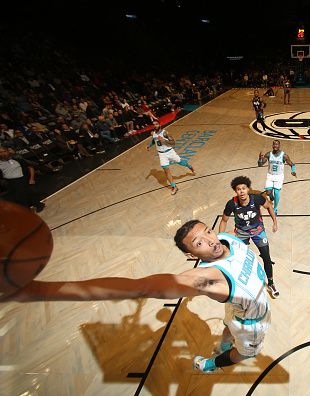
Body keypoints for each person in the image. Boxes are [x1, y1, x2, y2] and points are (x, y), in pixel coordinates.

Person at [7, 219, 271, 374]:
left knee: (227, 322)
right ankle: (213, 363)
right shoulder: (208, 278)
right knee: (244, 352)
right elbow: (141, 287)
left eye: (207, 232)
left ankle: (225, 342)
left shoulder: (226, 237)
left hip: (243, 307)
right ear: (192, 256)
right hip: (252, 321)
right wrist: (41, 290)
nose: (210, 241)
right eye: (199, 243)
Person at [218, 176, 280, 298]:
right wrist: (220, 237)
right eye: (238, 189)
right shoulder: (232, 204)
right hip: (241, 233)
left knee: (267, 258)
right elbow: (224, 221)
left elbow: (269, 206)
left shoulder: (256, 199)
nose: (241, 191)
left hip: (258, 231)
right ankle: (242, 284)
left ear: (248, 189)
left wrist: (275, 222)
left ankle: (271, 283)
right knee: (240, 259)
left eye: (244, 188)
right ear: (235, 191)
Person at [146, 120, 195, 195]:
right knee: (166, 171)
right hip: (162, 155)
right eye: (153, 124)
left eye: (156, 124)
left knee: (181, 162)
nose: (155, 125)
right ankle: (174, 186)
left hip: (170, 152)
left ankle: (190, 167)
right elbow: (154, 140)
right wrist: (149, 145)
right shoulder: (153, 133)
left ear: (159, 124)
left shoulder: (165, 133)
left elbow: (173, 143)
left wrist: (163, 141)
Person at [0, 146, 45, 212]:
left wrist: (31, 178)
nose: (3, 153)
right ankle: (27, 212)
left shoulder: (17, 159)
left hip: (22, 180)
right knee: (19, 199)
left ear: (8, 151)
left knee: (30, 194)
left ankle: (39, 205)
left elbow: (30, 167)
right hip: (10, 183)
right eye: (0, 152)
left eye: (4, 151)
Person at [257, 139, 297, 215]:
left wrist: (293, 171)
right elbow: (260, 165)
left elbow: (292, 164)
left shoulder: (284, 155)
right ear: (272, 145)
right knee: (268, 193)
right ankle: (271, 197)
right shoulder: (268, 154)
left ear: (279, 146)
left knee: (276, 192)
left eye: (276, 144)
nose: (275, 146)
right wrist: (259, 159)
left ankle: (275, 208)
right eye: (274, 144)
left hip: (279, 176)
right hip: (270, 175)